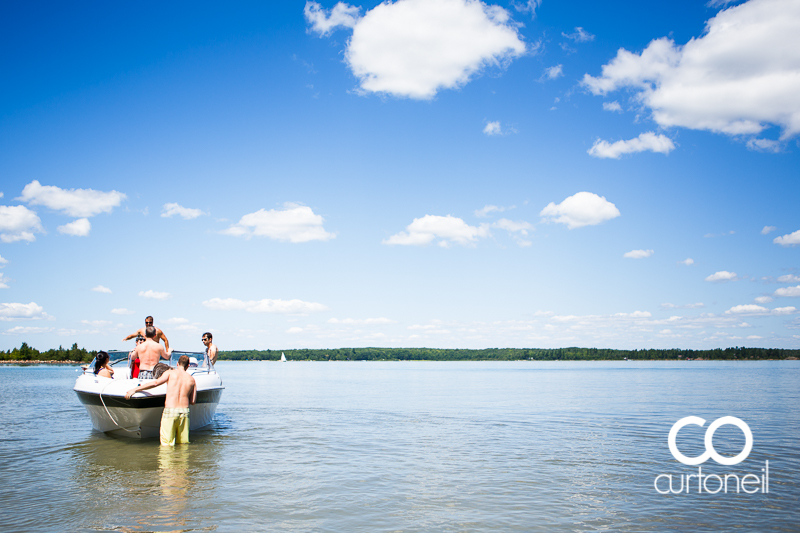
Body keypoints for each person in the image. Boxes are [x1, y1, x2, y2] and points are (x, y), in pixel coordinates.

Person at [125, 355, 197, 446]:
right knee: (183, 443)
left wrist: (135, 389)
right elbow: (193, 401)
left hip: (170, 411)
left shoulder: (170, 373)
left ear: (177, 364)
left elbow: (155, 383)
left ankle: (167, 460)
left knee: (167, 444)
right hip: (185, 412)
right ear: (188, 365)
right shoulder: (192, 380)